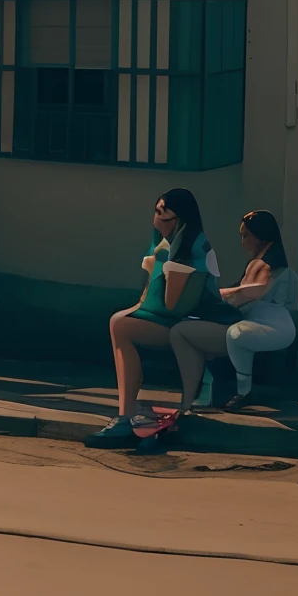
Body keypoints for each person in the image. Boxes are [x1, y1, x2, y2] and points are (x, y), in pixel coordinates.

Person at [88, 188, 221, 447]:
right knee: (119, 322)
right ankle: (126, 413)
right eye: (157, 211)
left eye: (164, 214)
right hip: (165, 317)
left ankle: (126, 416)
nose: (156, 218)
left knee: (121, 327)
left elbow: (173, 304)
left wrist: (167, 268)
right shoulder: (162, 240)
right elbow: (149, 294)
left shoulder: (193, 245)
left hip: (191, 322)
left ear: (180, 221)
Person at [169, 210, 298, 412]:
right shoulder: (262, 264)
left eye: (246, 235)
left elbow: (253, 291)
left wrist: (217, 293)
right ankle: (205, 392)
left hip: (264, 328)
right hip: (256, 324)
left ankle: (210, 393)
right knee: (193, 329)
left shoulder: (265, 266)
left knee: (185, 332)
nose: (242, 241)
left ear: (261, 236)